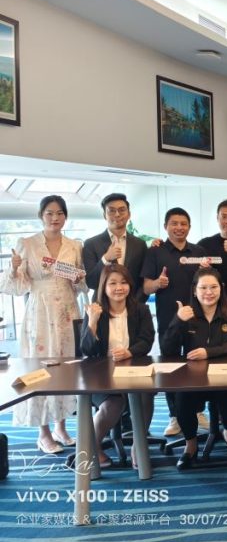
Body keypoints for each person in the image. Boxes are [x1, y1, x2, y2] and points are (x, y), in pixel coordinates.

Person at [1, 195, 87, 454]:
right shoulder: (27, 243)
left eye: (60, 213)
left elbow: (82, 285)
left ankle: (61, 426)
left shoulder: (74, 246)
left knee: (67, 366)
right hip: (39, 311)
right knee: (41, 368)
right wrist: (13, 268)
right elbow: (16, 287)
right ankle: (43, 432)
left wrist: (78, 278)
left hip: (67, 310)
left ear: (66, 216)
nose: (55, 218)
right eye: (49, 213)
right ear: (41, 215)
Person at [161, 268, 227, 469]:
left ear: (221, 288)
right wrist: (178, 321)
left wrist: (209, 352)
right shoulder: (186, 313)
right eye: (203, 288)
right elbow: (168, 350)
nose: (209, 292)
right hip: (192, 376)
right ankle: (190, 444)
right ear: (195, 290)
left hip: (225, 375)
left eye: (213, 287)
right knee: (182, 399)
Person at [141, 207, 208, 437]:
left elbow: (208, 283)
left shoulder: (198, 251)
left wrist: (206, 271)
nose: (179, 227)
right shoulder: (155, 251)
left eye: (183, 223)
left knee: (197, 365)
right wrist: (157, 284)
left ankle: (198, 411)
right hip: (168, 319)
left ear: (189, 227)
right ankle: (174, 416)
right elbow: (145, 287)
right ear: (166, 226)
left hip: (197, 318)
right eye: (174, 223)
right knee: (170, 366)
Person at [80, 264, 155, 467]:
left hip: (133, 370)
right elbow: (87, 350)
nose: (119, 288)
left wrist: (130, 352)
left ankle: (138, 447)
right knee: (113, 403)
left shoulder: (141, 310)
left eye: (123, 282)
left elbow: (147, 341)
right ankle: (92, 447)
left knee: (146, 395)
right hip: (100, 374)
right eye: (112, 283)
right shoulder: (95, 310)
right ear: (104, 287)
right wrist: (92, 321)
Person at [82, 193, 147, 301]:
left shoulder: (140, 244)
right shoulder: (91, 244)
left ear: (129, 214)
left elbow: (144, 281)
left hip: (133, 306)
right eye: (111, 211)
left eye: (122, 210)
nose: (117, 214)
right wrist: (106, 259)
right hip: (102, 307)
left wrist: (136, 303)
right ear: (104, 215)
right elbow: (91, 282)